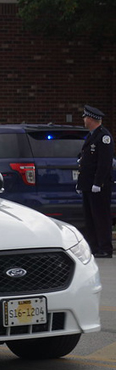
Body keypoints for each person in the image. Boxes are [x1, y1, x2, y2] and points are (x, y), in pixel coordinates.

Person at [77, 105, 114, 258]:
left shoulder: (104, 136)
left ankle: (105, 248)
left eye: (85, 117)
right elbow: (87, 161)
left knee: (101, 217)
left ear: (91, 118)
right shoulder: (92, 135)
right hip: (88, 185)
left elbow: (104, 163)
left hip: (98, 186)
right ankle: (94, 247)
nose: (84, 120)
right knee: (90, 217)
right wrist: (81, 184)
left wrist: (98, 183)